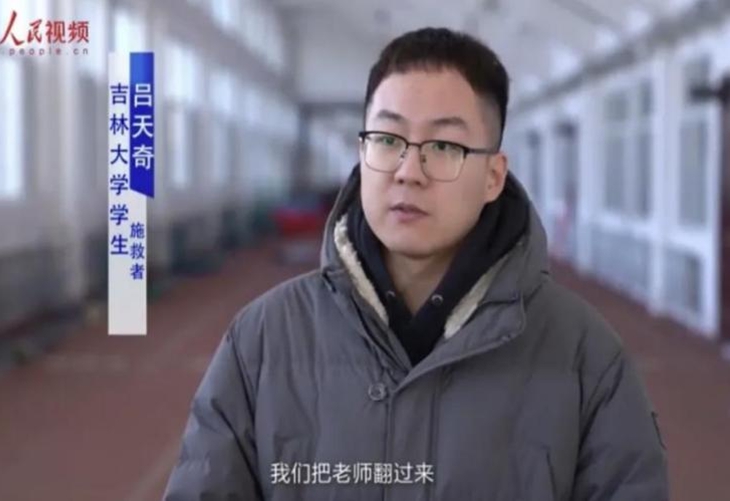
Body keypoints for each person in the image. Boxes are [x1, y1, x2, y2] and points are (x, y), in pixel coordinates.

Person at [163, 27, 669, 500]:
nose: (409, 171)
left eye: (444, 146)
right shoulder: (261, 341)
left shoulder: (586, 356)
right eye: (387, 140)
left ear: (493, 176)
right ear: (362, 154)